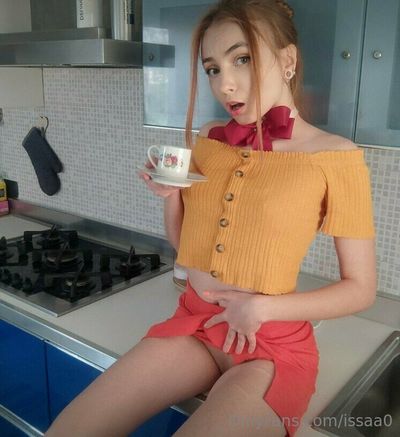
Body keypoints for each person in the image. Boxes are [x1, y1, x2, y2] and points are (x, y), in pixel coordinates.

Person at [45, 1, 377, 436]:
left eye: (243, 59)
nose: (225, 84)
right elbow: (185, 248)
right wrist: (171, 195)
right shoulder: (208, 139)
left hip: (270, 344)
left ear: (288, 60)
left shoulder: (336, 157)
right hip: (194, 324)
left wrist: (261, 307)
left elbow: (361, 289)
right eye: (213, 69)